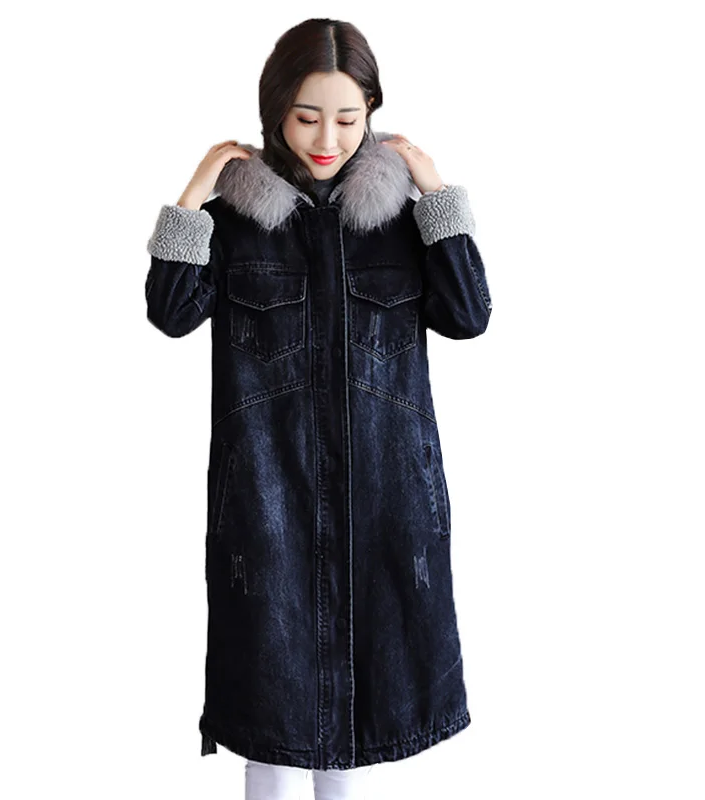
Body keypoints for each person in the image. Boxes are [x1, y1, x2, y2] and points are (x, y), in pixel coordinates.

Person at [145, 17, 492, 800]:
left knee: (357, 714)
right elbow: (170, 312)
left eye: (347, 117)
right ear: (276, 111)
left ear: (372, 111)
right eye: (307, 117)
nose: (326, 138)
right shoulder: (236, 221)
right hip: (268, 500)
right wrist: (195, 195)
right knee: (271, 709)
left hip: (383, 496)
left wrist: (439, 196)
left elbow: (469, 315)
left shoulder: (401, 220)